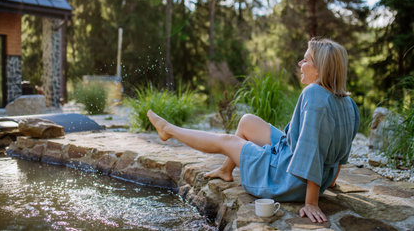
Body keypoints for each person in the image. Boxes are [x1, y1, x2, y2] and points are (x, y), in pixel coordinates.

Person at [147, 38, 360, 223]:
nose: (300, 63)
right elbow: (341, 151)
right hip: (305, 171)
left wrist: (311, 202)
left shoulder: (313, 93)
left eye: (306, 60)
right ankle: (226, 170)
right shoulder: (348, 103)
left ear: (320, 68)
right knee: (247, 121)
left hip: (287, 179)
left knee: (226, 141)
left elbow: (311, 150)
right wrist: (328, 182)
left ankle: (168, 130)